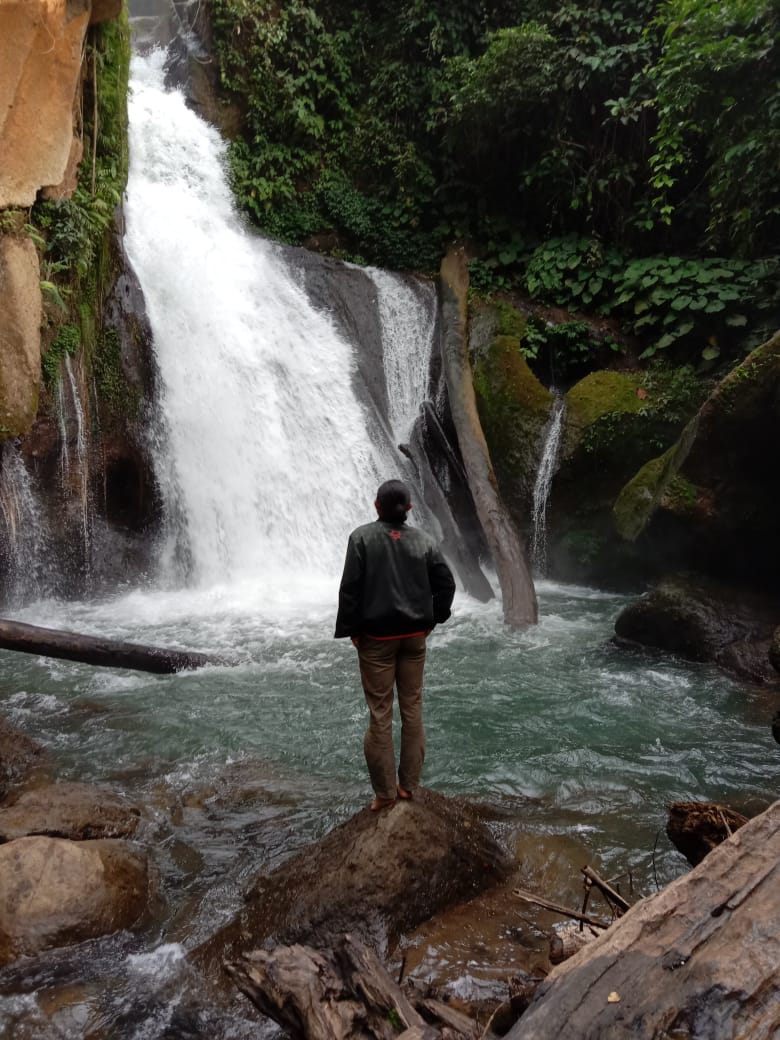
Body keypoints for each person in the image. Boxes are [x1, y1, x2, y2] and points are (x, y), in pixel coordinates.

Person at [335, 479, 456, 811]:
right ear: (410, 509)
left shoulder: (361, 538)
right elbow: (446, 583)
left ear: (376, 506)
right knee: (413, 709)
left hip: (376, 639)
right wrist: (434, 619)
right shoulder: (424, 541)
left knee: (380, 714)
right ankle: (408, 787)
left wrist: (353, 632)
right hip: (415, 638)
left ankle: (385, 794)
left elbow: (350, 590)